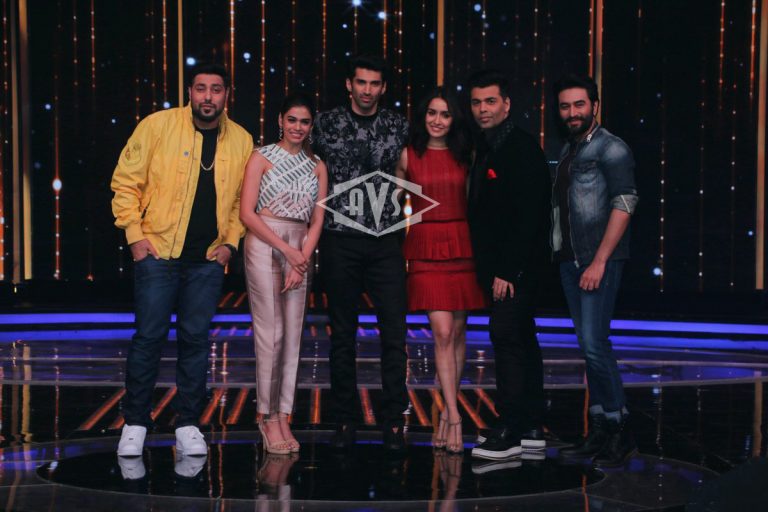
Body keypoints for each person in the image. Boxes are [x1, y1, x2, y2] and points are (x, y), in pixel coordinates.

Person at [111, 62, 253, 456]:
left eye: (216, 89)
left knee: (195, 341)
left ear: (226, 95)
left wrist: (230, 244)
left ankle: (188, 423)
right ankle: (135, 422)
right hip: (158, 253)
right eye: (201, 88)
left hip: (207, 260)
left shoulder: (241, 139)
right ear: (189, 91)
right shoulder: (157, 126)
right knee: (148, 337)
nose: (208, 97)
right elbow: (125, 182)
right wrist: (135, 236)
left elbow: (241, 200)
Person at [311, 54, 409, 452]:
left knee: (394, 333)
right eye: (361, 82)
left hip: (386, 241)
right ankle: (344, 419)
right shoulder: (325, 123)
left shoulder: (398, 125)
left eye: (374, 84)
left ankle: (394, 421)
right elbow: (305, 166)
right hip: (339, 240)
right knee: (342, 336)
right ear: (349, 85)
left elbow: (410, 170)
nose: (367, 90)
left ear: (383, 88)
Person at [551, 74, 639, 466]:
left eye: (579, 105)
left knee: (594, 344)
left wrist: (600, 260)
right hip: (571, 260)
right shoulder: (570, 149)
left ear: (595, 106)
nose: (572, 112)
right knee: (588, 347)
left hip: (597, 260)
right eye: (565, 106)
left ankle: (620, 430)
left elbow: (625, 203)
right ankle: (601, 428)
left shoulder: (611, 147)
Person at [395, 87, 486, 454]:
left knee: (458, 333)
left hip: (463, 246)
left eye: (445, 114)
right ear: (423, 117)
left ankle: (447, 411)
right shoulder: (407, 155)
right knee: (443, 332)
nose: (437, 120)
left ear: (454, 119)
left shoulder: (467, 154)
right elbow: (390, 204)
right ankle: (454, 415)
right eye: (431, 113)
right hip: (425, 247)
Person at [466, 69, 551, 460]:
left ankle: (511, 430)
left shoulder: (520, 148)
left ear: (506, 104)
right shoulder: (488, 145)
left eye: (490, 101)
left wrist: (508, 270)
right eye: (476, 102)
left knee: (506, 337)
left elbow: (529, 216)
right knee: (521, 337)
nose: (483, 109)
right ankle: (531, 426)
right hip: (506, 267)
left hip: (516, 269)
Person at [240, 92, 328, 454]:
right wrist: (289, 252)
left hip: (300, 244)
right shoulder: (260, 157)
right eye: (292, 120)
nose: (297, 127)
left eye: (304, 122)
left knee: (293, 335)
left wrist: (301, 257)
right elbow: (247, 213)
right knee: (271, 334)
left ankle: (283, 415)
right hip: (265, 241)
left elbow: (318, 219)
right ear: (280, 120)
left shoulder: (317, 165)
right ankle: (265, 415)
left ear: (311, 125)